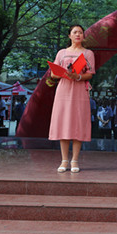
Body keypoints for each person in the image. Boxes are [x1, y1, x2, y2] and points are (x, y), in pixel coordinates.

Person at [48, 24, 95, 173]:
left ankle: (74, 160)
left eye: (80, 32)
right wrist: (63, 73)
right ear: (69, 35)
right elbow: (53, 74)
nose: (78, 35)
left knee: (77, 123)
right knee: (64, 123)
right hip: (63, 89)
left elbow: (90, 73)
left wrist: (78, 76)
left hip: (80, 90)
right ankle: (64, 160)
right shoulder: (61, 53)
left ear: (84, 36)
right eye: (75, 32)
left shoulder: (88, 53)